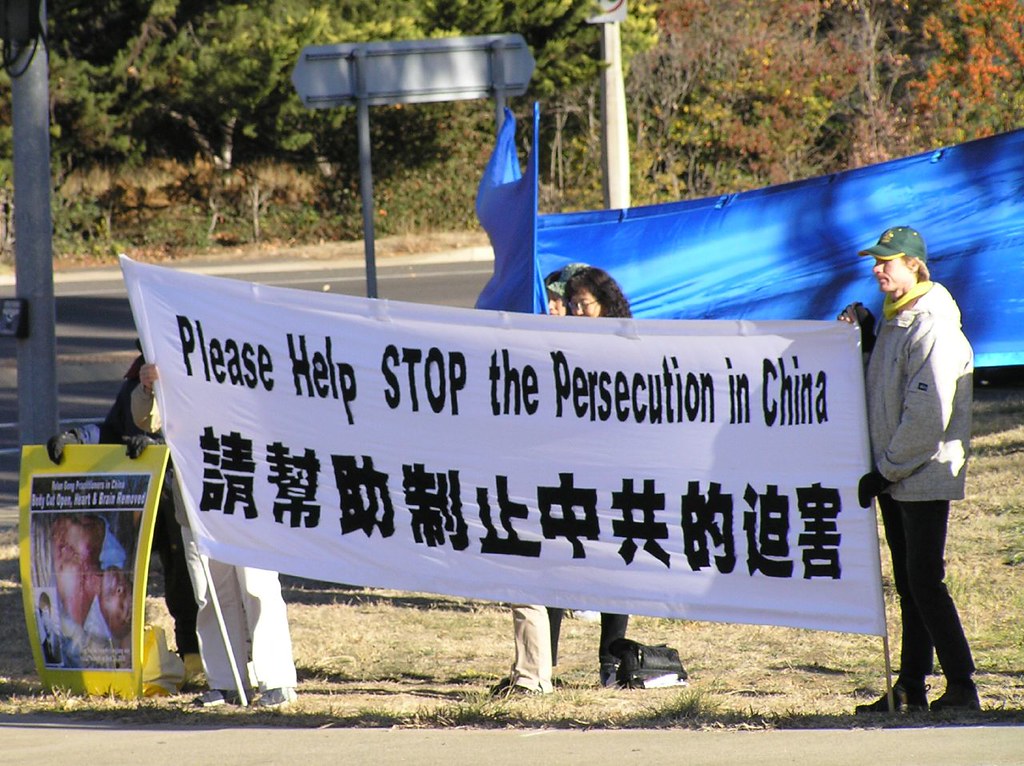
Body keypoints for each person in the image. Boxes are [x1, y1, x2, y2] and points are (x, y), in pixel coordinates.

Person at [840, 226, 979, 714]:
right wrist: (865, 340)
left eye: (887, 261)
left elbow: (927, 415)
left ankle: (962, 684)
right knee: (909, 583)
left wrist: (887, 469)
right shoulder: (897, 319)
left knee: (924, 581)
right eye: (876, 261)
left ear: (914, 266)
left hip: (920, 473)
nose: (877, 269)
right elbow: (885, 395)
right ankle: (911, 687)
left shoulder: (931, 325)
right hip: (898, 474)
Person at [132, 362, 299, 709]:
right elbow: (148, 421)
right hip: (196, 503)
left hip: (248, 496)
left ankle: (277, 681)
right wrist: (147, 387)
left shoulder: (247, 354)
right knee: (210, 595)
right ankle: (226, 683)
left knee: (258, 587)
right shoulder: (168, 354)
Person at [46, 351, 202, 680]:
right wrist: (79, 437)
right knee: (145, 578)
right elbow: (115, 429)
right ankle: (163, 656)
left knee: (190, 578)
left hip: (188, 500)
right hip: (147, 504)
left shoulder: (197, 366)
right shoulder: (139, 373)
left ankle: (198, 654)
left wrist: (161, 445)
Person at [562, 265, 634, 686]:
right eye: (572, 305)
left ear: (605, 305)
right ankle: (541, 666)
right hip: (570, 469)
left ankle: (610, 663)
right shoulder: (562, 343)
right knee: (554, 558)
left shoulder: (626, 346)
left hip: (614, 469)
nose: (576, 312)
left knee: (614, 565)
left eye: (583, 305)